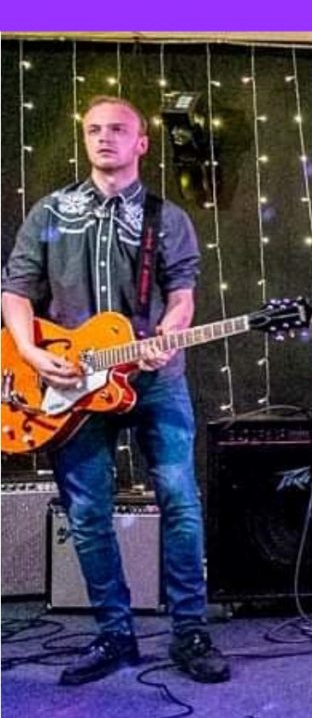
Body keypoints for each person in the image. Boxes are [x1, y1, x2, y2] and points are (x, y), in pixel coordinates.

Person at [2, 96, 230, 684]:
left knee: (180, 501)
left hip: (153, 381)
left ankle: (190, 631)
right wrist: (29, 351)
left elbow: (182, 296)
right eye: (94, 130)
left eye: (118, 130)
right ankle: (114, 633)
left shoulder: (166, 218)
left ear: (141, 143)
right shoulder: (51, 212)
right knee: (86, 513)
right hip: (68, 386)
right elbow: (17, 290)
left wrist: (169, 336)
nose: (104, 138)